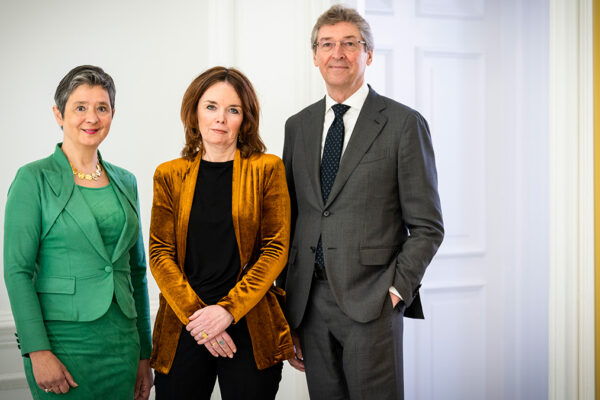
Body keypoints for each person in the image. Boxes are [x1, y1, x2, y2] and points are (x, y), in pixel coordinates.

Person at [278, 5, 444, 400]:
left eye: (350, 44)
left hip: (373, 302)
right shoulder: (297, 126)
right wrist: (288, 303)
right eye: (327, 44)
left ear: (368, 54)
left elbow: (427, 226)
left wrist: (396, 290)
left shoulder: (403, 124)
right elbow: (292, 217)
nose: (338, 53)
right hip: (309, 305)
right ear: (315, 55)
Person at [3, 65, 153, 399]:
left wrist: (144, 352)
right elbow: (17, 271)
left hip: (122, 343)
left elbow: (137, 272)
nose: (92, 118)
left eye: (102, 108)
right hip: (61, 345)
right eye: (80, 107)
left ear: (113, 113)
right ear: (58, 114)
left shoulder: (125, 181)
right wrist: (36, 351)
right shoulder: (33, 179)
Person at [149, 66, 294, 400]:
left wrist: (227, 311)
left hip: (250, 324)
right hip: (186, 324)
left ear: (245, 119)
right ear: (194, 112)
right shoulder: (169, 175)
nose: (220, 119)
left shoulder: (267, 169)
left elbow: (276, 249)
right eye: (211, 107)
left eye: (233, 110)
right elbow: (159, 254)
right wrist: (201, 321)